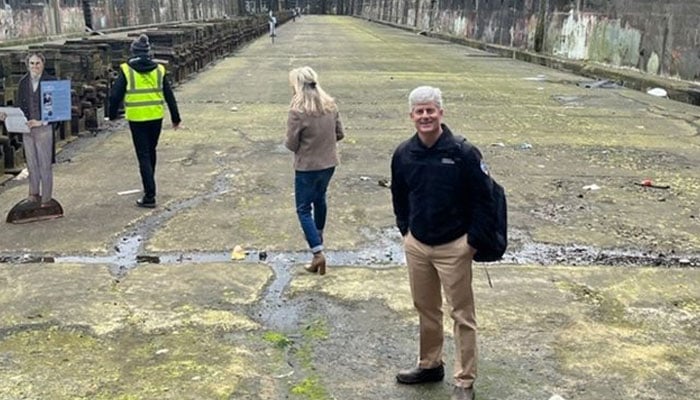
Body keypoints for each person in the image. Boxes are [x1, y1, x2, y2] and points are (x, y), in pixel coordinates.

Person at [390, 86, 496, 400]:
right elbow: (399, 196)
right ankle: (430, 364)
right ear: (411, 116)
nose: (425, 116)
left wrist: (472, 242)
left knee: (462, 314)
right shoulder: (403, 154)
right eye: (419, 111)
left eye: (430, 110)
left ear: (441, 113)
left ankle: (464, 381)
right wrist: (405, 232)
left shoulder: (463, 153)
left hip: (455, 245)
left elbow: (485, 200)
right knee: (426, 308)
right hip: (418, 245)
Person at [109, 33, 181, 208]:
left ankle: (150, 195)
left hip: (137, 118)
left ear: (133, 52)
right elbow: (169, 95)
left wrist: (111, 115)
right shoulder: (159, 69)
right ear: (149, 52)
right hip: (155, 117)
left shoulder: (126, 70)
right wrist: (175, 117)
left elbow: (115, 95)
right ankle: (150, 184)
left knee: (143, 155)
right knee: (151, 151)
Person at [285, 66, 344, 275]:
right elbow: (340, 134)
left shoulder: (297, 111)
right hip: (328, 164)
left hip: (307, 167)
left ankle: (317, 253)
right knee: (320, 200)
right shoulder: (330, 106)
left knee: (303, 209)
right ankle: (319, 239)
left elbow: (291, 144)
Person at [0, 52, 57, 207]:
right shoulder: (23, 82)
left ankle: (46, 199)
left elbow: (58, 109)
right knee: (31, 163)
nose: (34, 66)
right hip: (27, 129)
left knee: (44, 164)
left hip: (43, 129)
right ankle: (33, 194)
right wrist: (9, 116)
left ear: (43, 64)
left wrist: (41, 122)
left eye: (37, 63)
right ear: (27, 65)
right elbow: (20, 106)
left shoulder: (51, 82)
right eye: (31, 63)